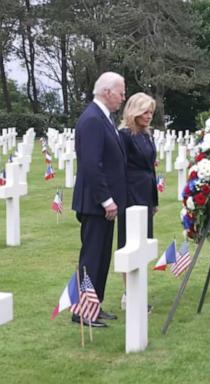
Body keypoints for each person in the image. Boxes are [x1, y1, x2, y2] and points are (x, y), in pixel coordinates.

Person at [72, 72, 127, 328]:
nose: (123, 97)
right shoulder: (93, 119)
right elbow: (92, 164)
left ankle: (94, 304)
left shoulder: (103, 118)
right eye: (121, 92)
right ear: (107, 92)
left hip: (102, 202)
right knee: (93, 255)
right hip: (96, 203)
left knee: (102, 255)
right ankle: (83, 310)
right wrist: (106, 199)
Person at [117, 92, 158, 310]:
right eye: (145, 111)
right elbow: (120, 169)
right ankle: (129, 294)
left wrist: (153, 200)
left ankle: (137, 290)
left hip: (145, 193)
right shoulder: (124, 135)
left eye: (151, 111)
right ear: (134, 111)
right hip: (130, 196)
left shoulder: (145, 134)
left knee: (144, 244)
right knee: (130, 244)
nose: (149, 115)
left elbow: (150, 169)